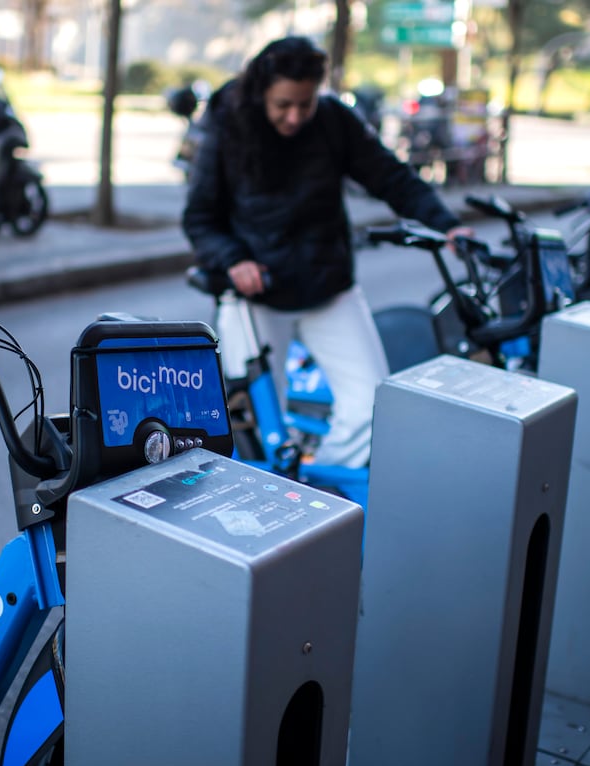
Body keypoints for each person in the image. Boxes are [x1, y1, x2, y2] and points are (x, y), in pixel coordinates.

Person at [182, 35, 472, 469]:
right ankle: (263, 494)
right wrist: (234, 259)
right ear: (261, 91)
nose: (295, 116)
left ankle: (322, 488)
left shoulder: (334, 120)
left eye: (306, 103)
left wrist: (446, 224)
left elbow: (391, 177)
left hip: (327, 284)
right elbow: (199, 218)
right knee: (252, 421)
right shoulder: (228, 125)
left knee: (373, 403)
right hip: (255, 295)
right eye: (283, 105)